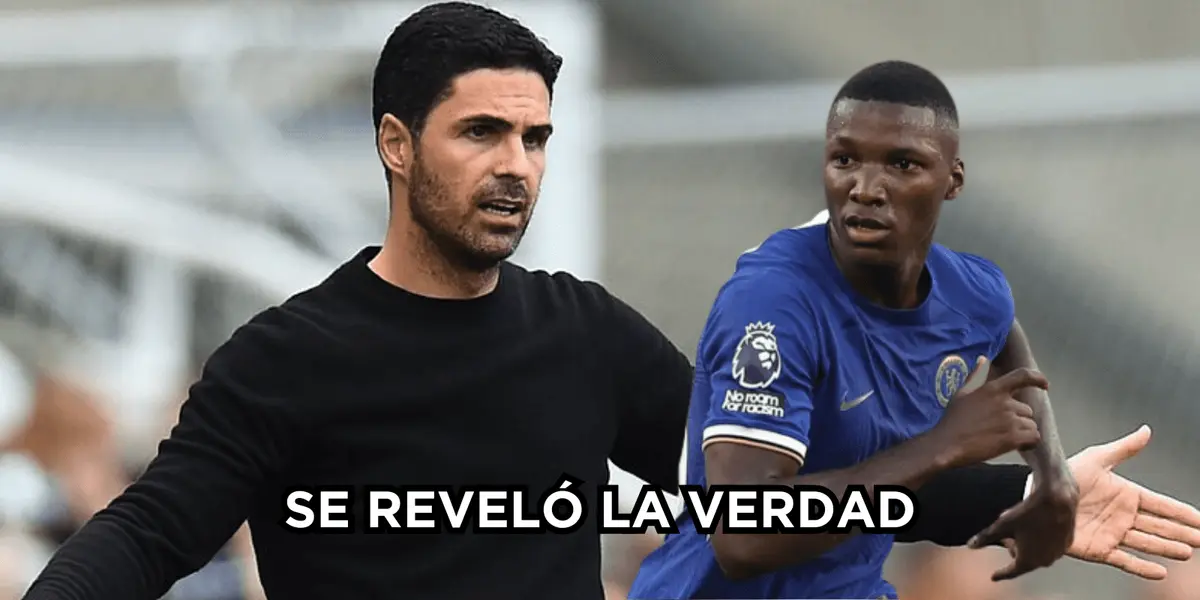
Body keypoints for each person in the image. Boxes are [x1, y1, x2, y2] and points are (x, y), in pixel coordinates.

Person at [20, 3, 694, 599]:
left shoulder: (587, 332)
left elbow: (742, 488)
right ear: (397, 144)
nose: (516, 164)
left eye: (534, 138)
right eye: (481, 132)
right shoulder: (285, 360)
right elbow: (148, 533)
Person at [628, 61, 1200, 599]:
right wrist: (942, 446)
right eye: (845, 160)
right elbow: (742, 537)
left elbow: (1005, 333)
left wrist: (1051, 476)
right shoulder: (773, 305)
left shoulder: (970, 290)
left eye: (902, 164)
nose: (865, 187)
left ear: (953, 180)